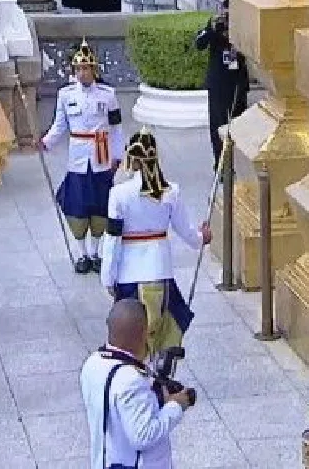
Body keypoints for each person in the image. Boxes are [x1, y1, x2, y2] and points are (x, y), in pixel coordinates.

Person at [102, 129, 211, 361]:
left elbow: (112, 240)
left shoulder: (119, 194)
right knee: (161, 327)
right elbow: (186, 231)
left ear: (131, 159)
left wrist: (107, 277)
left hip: (128, 274)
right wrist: (202, 238)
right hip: (159, 270)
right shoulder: (170, 191)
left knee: (132, 332)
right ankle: (158, 366)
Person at [41, 39, 125, 274]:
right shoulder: (66, 95)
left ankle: (96, 252)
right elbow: (60, 125)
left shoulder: (108, 95)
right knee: (77, 206)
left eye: (86, 68)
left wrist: (117, 156)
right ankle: (82, 253)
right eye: (78, 69)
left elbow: (116, 127)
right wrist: (45, 142)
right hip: (78, 156)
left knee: (100, 205)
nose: (82, 73)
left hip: (101, 154)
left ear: (94, 70)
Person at [80, 299, 194, 469]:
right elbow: (144, 435)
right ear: (142, 333)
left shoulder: (92, 363)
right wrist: (176, 405)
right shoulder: (130, 381)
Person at [194, 0, 250, 167]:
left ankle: (237, 160)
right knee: (218, 125)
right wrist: (212, 30)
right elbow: (199, 43)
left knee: (239, 123)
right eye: (225, 13)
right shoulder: (214, 25)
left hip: (237, 81)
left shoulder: (244, 25)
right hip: (218, 83)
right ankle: (221, 163)